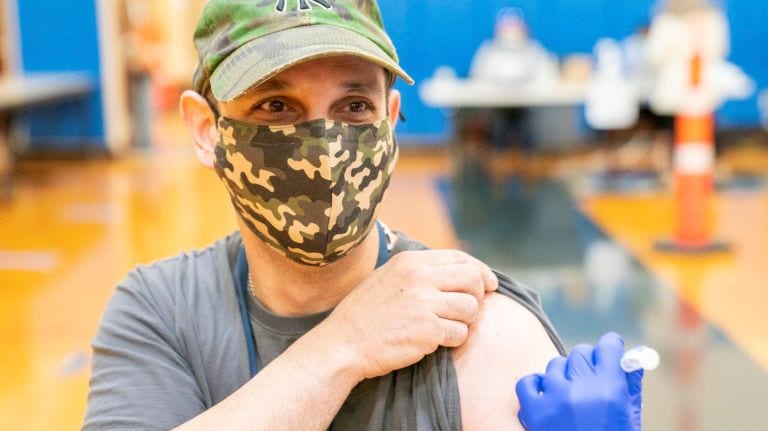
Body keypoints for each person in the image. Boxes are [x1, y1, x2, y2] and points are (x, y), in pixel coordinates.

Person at [82, 1, 565, 430]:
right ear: (207, 130)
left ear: (389, 121)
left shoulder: (476, 325)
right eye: (276, 105)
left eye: (354, 106)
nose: (323, 148)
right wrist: (342, 344)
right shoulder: (159, 312)